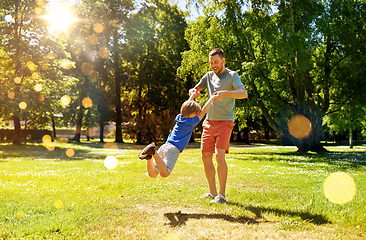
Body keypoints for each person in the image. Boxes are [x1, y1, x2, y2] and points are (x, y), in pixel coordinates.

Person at [189, 48, 248, 204]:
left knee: (219, 155)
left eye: (216, 62)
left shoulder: (232, 76)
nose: (213, 65)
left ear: (223, 60)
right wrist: (193, 92)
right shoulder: (208, 76)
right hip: (209, 121)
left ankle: (221, 196)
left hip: (225, 122)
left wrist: (225, 93)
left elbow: (243, 93)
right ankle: (212, 193)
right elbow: (195, 89)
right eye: (211, 62)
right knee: (205, 156)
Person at [138, 91, 216, 178]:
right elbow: (204, 111)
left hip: (165, 146)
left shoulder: (180, 117)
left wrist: (192, 97)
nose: (198, 114)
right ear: (193, 114)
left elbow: (185, 108)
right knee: (165, 173)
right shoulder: (191, 122)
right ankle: (153, 152)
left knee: (153, 174)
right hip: (173, 149)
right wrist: (211, 99)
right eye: (197, 113)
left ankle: (149, 158)